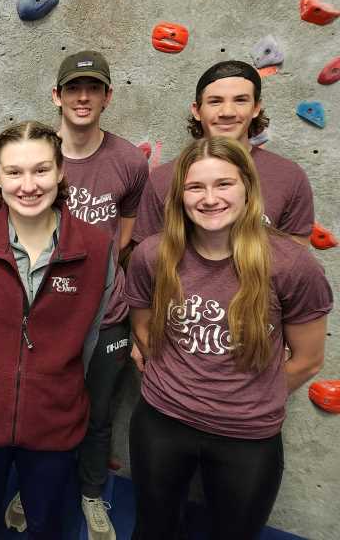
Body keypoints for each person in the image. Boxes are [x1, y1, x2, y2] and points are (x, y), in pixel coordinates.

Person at [126, 136, 332, 540]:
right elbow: (143, 326)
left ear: (248, 189)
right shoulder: (151, 255)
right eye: (195, 186)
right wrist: (178, 379)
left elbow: (308, 358)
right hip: (162, 422)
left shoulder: (291, 267)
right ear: (179, 195)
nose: (209, 198)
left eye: (223, 184)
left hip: (247, 435)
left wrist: (246, 395)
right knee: (153, 530)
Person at [0, 121, 114, 539]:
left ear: (60, 172)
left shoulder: (97, 249)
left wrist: (52, 382)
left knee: (48, 525)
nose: (29, 185)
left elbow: (90, 338)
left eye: (41, 170)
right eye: (15, 172)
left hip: (55, 420)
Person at [42, 50, 148, 540]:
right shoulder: (40, 154)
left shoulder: (127, 160)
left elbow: (125, 237)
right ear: (57, 96)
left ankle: (90, 494)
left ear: (108, 96)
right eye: (73, 88)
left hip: (107, 314)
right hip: (47, 314)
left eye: (93, 89)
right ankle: (37, 487)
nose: (82, 97)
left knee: (98, 413)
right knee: (44, 408)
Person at [132, 60, 314, 247]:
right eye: (215, 101)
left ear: (256, 108)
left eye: (240, 100)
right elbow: (147, 259)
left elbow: (296, 262)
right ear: (197, 110)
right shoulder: (163, 179)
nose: (227, 112)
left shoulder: (289, 176)